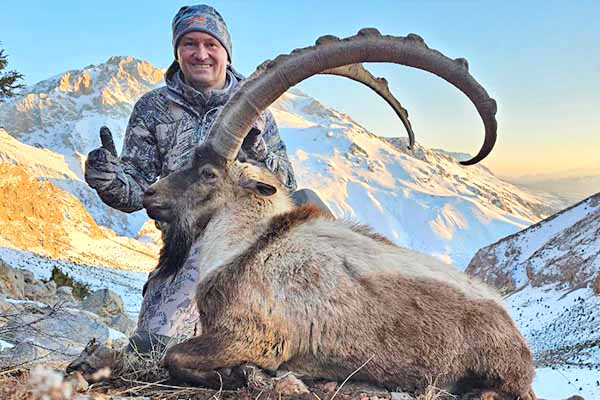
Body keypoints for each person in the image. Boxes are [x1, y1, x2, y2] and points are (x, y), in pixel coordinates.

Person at [83, 5, 303, 352]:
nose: (201, 54)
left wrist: (258, 147)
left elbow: (287, 187)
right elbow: (137, 189)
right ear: (177, 52)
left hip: (248, 246)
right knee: (154, 349)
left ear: (226, 52)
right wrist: (109, 180)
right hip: (184, 246)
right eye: (190, 44)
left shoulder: (254, 109)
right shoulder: (152, 108)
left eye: (211, 44)